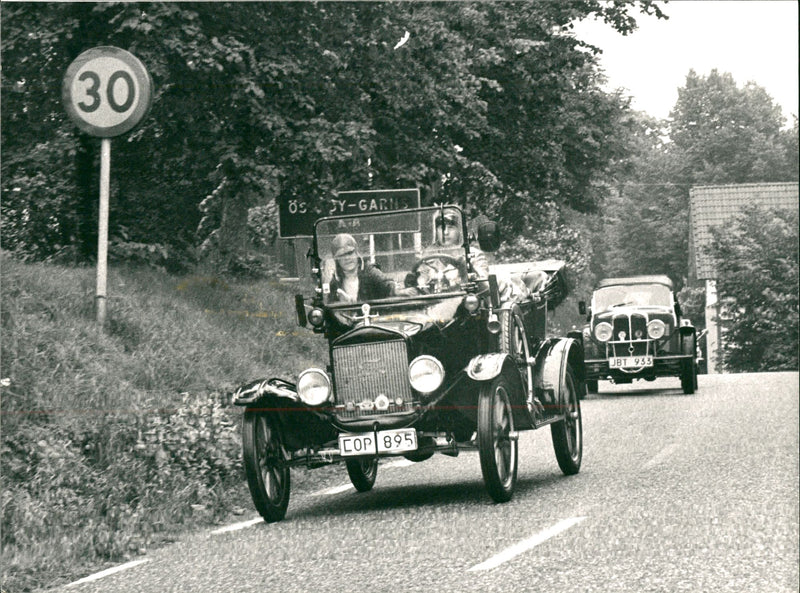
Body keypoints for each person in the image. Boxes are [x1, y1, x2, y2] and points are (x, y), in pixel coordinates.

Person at [322, 233, 396, 303]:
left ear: (357, 252)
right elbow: (329, 305)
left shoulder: (369, 271)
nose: (347, 258)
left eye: (350, 253)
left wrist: (397, 290)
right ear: (336, 260)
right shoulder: (335, 282)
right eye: (341, 256)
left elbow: (387, 284)